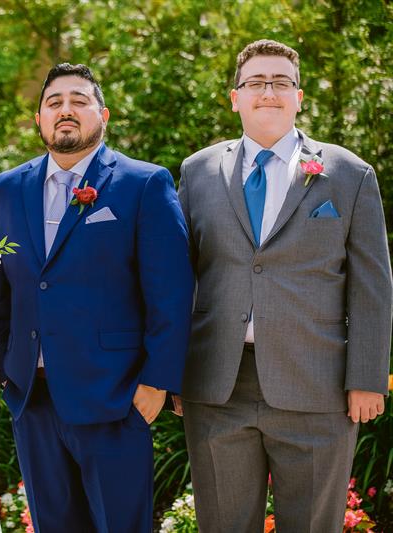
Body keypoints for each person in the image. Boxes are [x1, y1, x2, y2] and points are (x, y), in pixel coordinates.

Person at [179, 39, 392, 532]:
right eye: (255, 82)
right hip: (217, 388)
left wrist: (366, 377)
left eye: (280, 82)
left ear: (299, 96)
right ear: (235, 97)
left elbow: (372, 286)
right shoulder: (197, 171)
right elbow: (181, 277)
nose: (267, 92)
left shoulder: (349, 174)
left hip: (318, 389)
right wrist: (173, 373)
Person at [0, 63, 194, 532]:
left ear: (102, 114)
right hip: (33, 400)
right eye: (54, 102)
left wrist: (156, 383)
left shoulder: (144, 183)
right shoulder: (5, 189)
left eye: (78, 101)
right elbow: (2, 289)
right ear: (38, 119)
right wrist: (6, 368)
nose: (66, 110)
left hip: (116, 397)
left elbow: (172, 292)